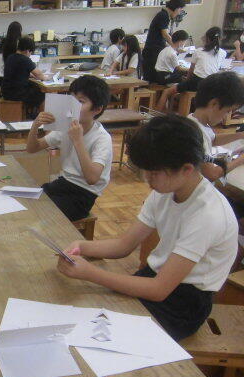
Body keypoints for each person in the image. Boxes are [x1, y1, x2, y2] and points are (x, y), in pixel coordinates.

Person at [56, 115, 238, 341]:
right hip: (155, 278)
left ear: (187, 169)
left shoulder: (207, 214)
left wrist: (90, 273)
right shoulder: (166, 190)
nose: (146, 179)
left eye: (153, 173)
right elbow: (124, 245)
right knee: (81, 310)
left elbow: (159, 290)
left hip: (183, 305)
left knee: (95, 332)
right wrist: (81, 246)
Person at [26, 75, 112, 222]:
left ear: (97, 109)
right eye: (72, 100)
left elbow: (92, 178)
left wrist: (78, 140)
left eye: (81, 102)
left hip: (83, 194)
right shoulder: (66, 126)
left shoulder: (102, 138)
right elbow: (32, 148)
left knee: (43, 214)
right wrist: (35, 125)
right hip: (64, 183)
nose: (73, 106)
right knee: (29, 202)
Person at [185, 72, 244, 185]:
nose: (226, 116)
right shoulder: (196, 133)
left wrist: (240, 135)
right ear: (214, 104)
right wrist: (240, 159)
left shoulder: (194, 120)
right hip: (193, 189)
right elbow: (212, 174)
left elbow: (213, 139)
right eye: (227, 111)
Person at [156, 27, 227, 112]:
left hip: (196, 82)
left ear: (207, 38)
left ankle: (156, 114)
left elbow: (191, 70)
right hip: (211, 84)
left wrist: (187, 81)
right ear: (220, 39)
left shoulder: (199, 51)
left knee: (167, 91)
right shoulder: (223, 53)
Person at [142, 0, 187, 83]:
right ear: (177, 8)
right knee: (151, 79)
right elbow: (165, 34)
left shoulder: (164, 15)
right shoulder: (163, 15)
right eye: (180, 10)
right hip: (152, 51)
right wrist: (175, 47)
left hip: (154, 50)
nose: (179, 13)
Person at [1, 36, 46, 112]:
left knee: (33, 87)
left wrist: (31, 76)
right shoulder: (25, 59)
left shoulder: (10, 57)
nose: (30, 55)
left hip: (6, 91)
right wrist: (46, 78)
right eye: (31, 52)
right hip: (16, 94)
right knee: (41, 93)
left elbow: (17, 73)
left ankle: (29, 111)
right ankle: (35, 114)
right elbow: (39, 75)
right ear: (27, 51)